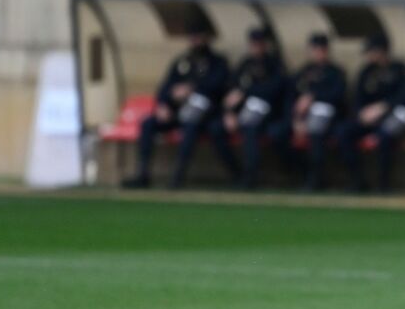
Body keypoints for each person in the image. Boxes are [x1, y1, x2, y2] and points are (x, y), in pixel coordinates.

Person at [123, 20, 239, 189]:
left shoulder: (217, 62)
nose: (195, 41)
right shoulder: (182, 62)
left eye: (198, 37)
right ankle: (142, 174)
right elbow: (165, 86)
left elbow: (218, 86)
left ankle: (177, 177)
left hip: (204, 116)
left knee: (190, 127)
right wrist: (163, 104)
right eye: (192, 38)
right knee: (148, 124)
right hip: (177, 112)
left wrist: (192, 89)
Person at [334, 34, 405, 192]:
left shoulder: (399, 70)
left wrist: (384, 107)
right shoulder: (366, 72)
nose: (369, 56)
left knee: (385, 136)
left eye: (372, 52)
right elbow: (357, 98)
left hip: (390, 118)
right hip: (368, 120)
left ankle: (384, 184)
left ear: (381, 51)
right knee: (343, 132)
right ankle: (357, 181)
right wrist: (362, 113)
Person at [222, 26, 288, 189]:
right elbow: (231, 91)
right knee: (217, 128)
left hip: (270, 114)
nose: (256, 47)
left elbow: (273, 90)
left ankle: (250, 177)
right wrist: (229, 113)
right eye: (253, 44)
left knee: (250, 128)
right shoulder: (245, 64)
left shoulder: (274, 64)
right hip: (242, 113)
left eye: (259, 44)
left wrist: (246, 92)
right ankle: (236, 173)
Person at [288, 33, 348, 191]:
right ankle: (300, 175)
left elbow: (338, 96)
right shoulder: (304, 72)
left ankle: (315, 179)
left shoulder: (335, 72)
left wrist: (313, 97)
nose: (318, 53)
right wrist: (296, 119)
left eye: (321, 49)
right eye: (315, 49)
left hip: (329, 119)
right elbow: (291, 97)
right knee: (280, 132)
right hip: (301, 119)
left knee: (316, 133)